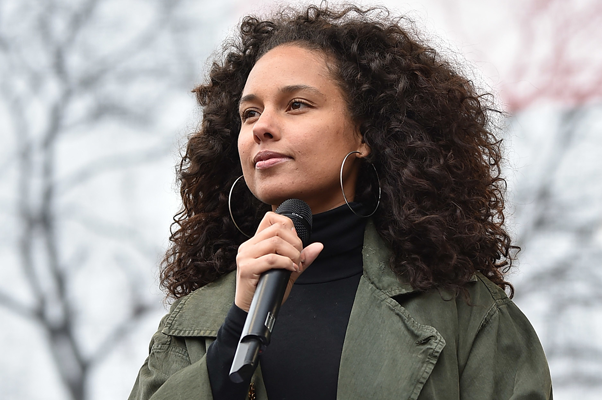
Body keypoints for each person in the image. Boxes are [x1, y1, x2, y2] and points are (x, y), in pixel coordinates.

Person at [128, 4, 552, 400]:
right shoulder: (189, 325)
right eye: (250, 113)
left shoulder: (468, 314)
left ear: (365, 135)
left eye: (296, 105)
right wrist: (235, 328)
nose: (262, 128)